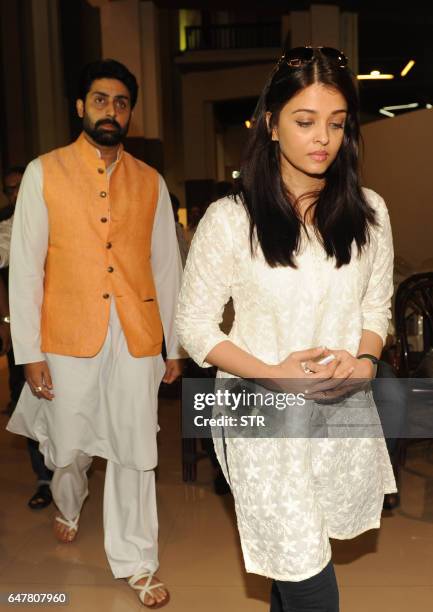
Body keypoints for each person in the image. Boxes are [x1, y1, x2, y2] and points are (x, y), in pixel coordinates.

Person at [176, 46, 396, 612]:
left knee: (292, 558)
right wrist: (275, 374)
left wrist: (366, 361)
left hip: (340, 408)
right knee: (308, 576)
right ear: (271, 124)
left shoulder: (369, 212)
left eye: (336, 123)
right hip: (260, 416)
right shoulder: (231, 219)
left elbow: (377, 308)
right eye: (304, 121)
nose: (322, 137)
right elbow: (194, 326)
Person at [7, 59, 183, 608]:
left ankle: (137, 559)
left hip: (135, 333)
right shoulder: (44, 172)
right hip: (65, 333)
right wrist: (28, 352)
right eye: (101, 100)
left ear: (130, 112)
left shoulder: (150, 182)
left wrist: (171, 344)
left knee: (134, 446)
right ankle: (68, 500)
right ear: (80, 107)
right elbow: (26, 266)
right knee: (69, 446)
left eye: (122, 102)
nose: (112, 111)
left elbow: (166, 267)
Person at [1, 167, 53, 509]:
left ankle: (71, 472)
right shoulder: (6, 227)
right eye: (10, 189)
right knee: (31, 405)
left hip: (68, 332)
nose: (17, 193)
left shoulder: (55, 220)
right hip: (25, 337)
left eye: (21, 186)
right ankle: (45, 479)